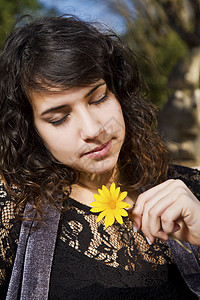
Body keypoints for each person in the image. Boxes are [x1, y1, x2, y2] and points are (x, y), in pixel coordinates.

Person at [0, 15, 200, 300]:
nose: (93, 129)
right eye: (59, 118)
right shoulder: (14, 214)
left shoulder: (190, 190)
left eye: (99, 98)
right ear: (30, 131)